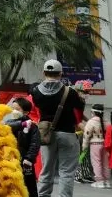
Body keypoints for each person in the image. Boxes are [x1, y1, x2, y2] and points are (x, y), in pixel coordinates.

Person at [30, 59, 86, 196]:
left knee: (46, 170)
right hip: (67, 134)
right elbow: (80, 107)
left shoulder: (35, 91)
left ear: (43, 73)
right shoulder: (70, 92)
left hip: (46, 135)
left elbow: (36, 105)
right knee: (66, 172)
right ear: (60, 73)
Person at [5, 97, 41, 197]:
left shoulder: (33, 126)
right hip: (11, 160)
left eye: (17, 109)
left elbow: (35, 144)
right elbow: (8, 126)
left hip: (25, 161)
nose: (14, 111)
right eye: (13, 108)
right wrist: (23, 124)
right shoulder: (11, 123)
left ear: (26, 112)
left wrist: (29, 158)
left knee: (29, 185)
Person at [84, 104, 110, 188]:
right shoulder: (107, 122)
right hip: (105, 145)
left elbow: (87, 135)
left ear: (93, 112)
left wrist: (84, 146)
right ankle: (107, 181)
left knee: (96, 163)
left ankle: (99, 181)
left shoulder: (91, 122)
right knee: (106, 163)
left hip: (95, 144)